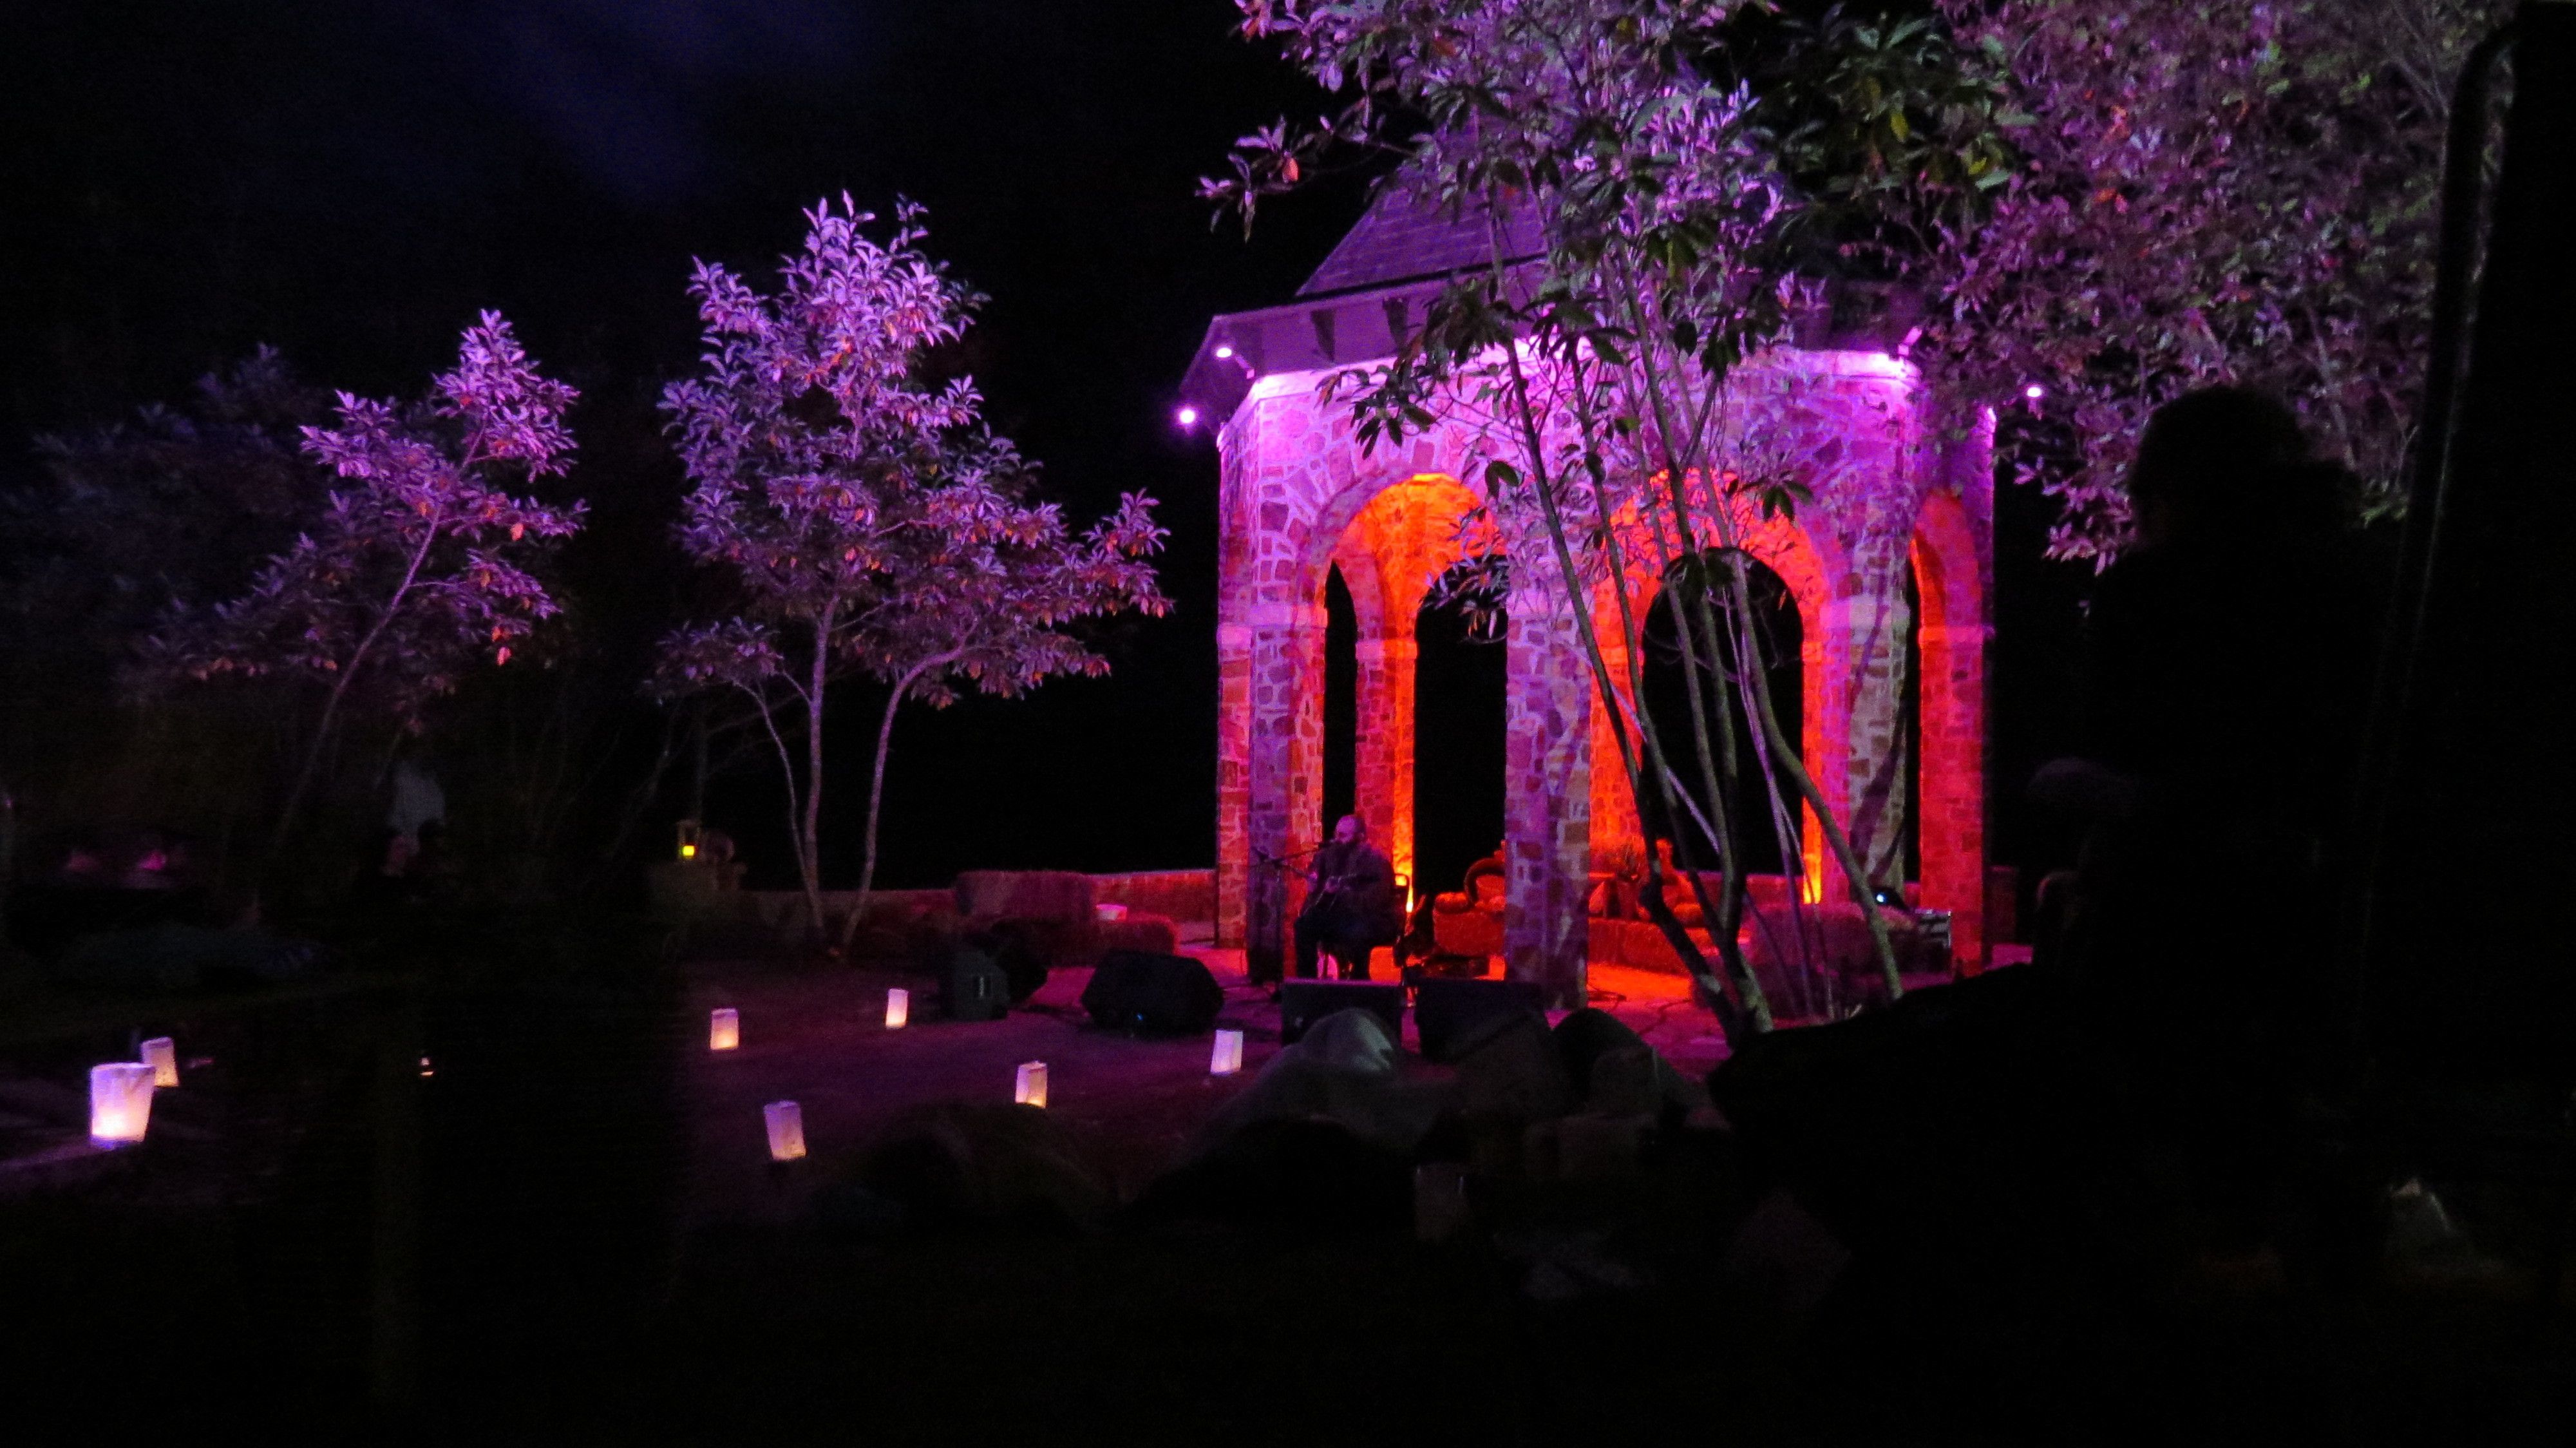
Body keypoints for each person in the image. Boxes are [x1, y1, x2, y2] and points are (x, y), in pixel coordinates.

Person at [1294, 814, 1401, 980]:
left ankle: (1358, 981)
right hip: (1342, 918)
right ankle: (1307, 984)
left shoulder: (1376, 861)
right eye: (1336, 834)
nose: (1337, 840)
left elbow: (1374, 902)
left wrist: (1342, 893)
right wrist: (1315, 886)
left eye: (1343, 836)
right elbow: (1319, 882)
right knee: (1304, 925)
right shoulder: (1329, 857)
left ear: (1360, 837)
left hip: (1372, 920)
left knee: (1356, 930)